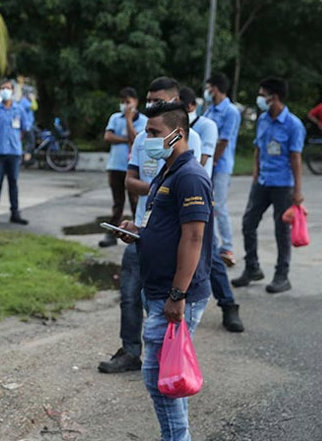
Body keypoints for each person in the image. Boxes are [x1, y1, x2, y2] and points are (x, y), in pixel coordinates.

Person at [116, 101, 213, 441]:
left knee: (160, 381)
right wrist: (136, 231)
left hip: (173, 294)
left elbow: (194, 235)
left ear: (178, 134)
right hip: (158, 289)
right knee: (170, 378)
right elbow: (166, 228)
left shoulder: (190, 177)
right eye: (147, 131)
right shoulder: (167, 172)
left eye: (155, 132)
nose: (148, 138)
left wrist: (177, 294)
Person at [99, 77, 203, 374]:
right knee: (130, 294)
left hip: (171, 238)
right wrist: (156, 194)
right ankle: (132, 352)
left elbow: (194, 224)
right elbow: (129, 179)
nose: (149, 108)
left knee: (158, 304)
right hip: (144, 231)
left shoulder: (187, 149)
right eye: (148, 102)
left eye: (157, 102)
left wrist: (178, 294)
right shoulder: (148, 138)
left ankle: (169, 361)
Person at [232, 77, 305, 294]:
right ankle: (252, 267)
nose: (260, 98)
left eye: (263, 94)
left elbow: (296, 158)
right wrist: (255, 172)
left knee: (281, 230)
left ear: (275, 97)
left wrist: (298, 191)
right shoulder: (263, 119)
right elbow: (258, 148)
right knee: (248, 222)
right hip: (262, 182)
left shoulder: (293, 124)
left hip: (283, 185)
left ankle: (282, 275)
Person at [181, 87, 244, 332]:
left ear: (186, 107)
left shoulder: (204, 127)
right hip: (174, 197)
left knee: (209, 256)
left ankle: (229, 304)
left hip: (197, 197)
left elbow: (202, 160)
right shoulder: (170, 130)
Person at [99, 87, 147, 248]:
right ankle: (112, 233)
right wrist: (125, 139)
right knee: (117, 202)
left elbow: (136, 139)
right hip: (115, 165)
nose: (125, 106)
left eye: (128, 102)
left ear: (136, 102)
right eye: (122, 102)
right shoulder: (115, 117)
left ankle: (136, 233)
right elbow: (108, 136)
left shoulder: (143, 120)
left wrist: (128, 120)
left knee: (135, 201)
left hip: (132, 168)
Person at [203, 74, 242, 267]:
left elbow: (224, 140)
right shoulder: (210, 110)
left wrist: (213, 161)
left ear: (216, 88)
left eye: (209, 87)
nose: (207, 91)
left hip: (221, 165)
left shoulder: (230, 111)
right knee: (206, 204)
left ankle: (227, 247)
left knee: (219, 206)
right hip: (209, 164)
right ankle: (210, 243)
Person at [0, 80, 31, 225]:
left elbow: (24, 129)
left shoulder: (19, 110)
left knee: (13, 183)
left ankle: (15, 213)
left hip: (14, 152)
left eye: (7, 88)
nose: (5, 90)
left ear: (12, 91)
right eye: (2, 88)